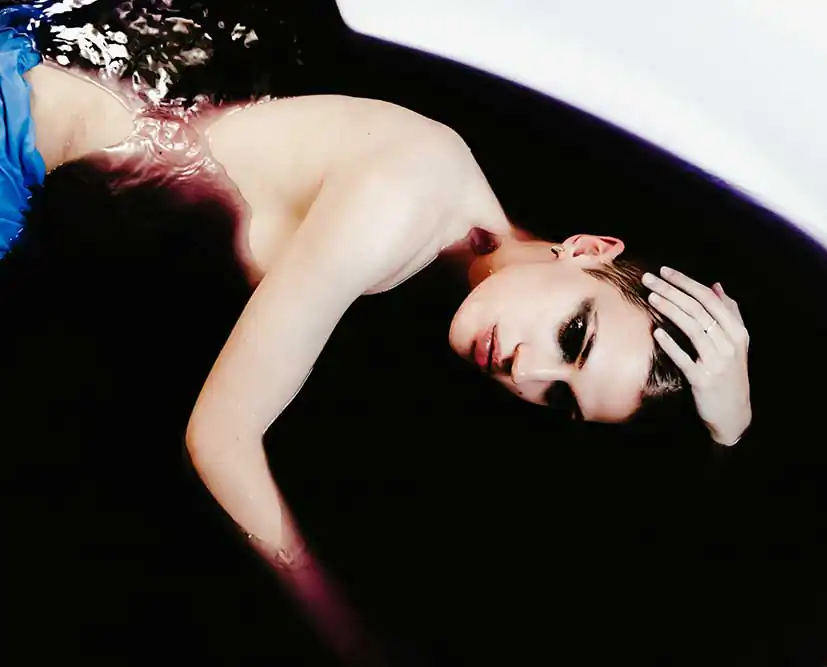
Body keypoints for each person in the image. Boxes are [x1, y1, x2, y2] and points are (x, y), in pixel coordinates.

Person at [0, 9, 751, 659]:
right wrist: (352, 642)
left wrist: (728, 430)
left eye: (559, 398)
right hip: (18, 127)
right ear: (588, 248)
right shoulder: (401, 197)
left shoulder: (461, 263)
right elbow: (221, 437)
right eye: (574, 334)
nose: (526, 371)